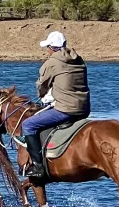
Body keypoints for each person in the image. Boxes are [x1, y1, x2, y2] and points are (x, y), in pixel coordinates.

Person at [21, 30, 90, 181]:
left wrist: (42, 95)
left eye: (48, 48)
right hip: (84, 109)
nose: (47, 51)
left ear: (52, 48)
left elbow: (41, 85)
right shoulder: (79, 60)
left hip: (65, 110)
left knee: (28, 125)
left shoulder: (51, 63)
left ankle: (38, 167)